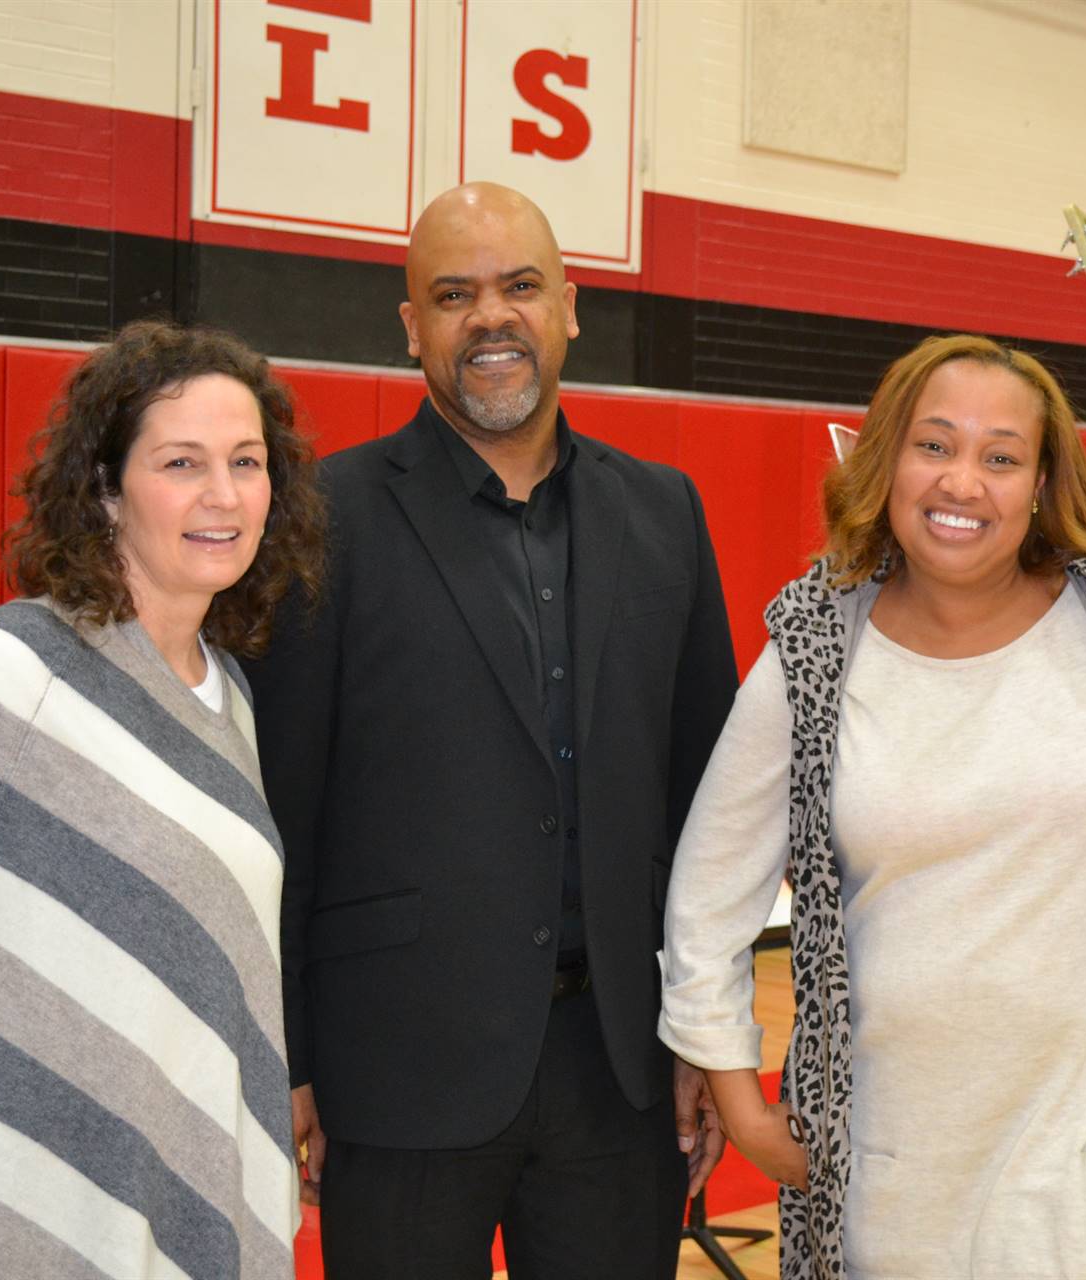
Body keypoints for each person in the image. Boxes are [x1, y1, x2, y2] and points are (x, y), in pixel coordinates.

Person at [658, 334, 1086, 1278]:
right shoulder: (815, 647)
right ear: (886, 458)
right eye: (935, 445)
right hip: (894, 1180)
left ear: (1043, 482)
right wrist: (742, 1102)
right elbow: (708, 895)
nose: (963, 482)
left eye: (1001, 457)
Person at [243, 182, 739, 1278]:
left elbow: (714, 805)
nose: (491, 317)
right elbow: (283, 812)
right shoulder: (323, 517)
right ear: (412, 326)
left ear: (569, 306)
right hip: (400, 1070)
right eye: (454, 294)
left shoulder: (666, 511)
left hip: (621, 1068)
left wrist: (716, 1032)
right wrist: (289, 1052)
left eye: (519, 285)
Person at [0, 320, 327, 1279]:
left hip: (159, 1200)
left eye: (247, 462)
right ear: (104, 488)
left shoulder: (233, 702)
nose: (224, 495)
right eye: (182, 462)